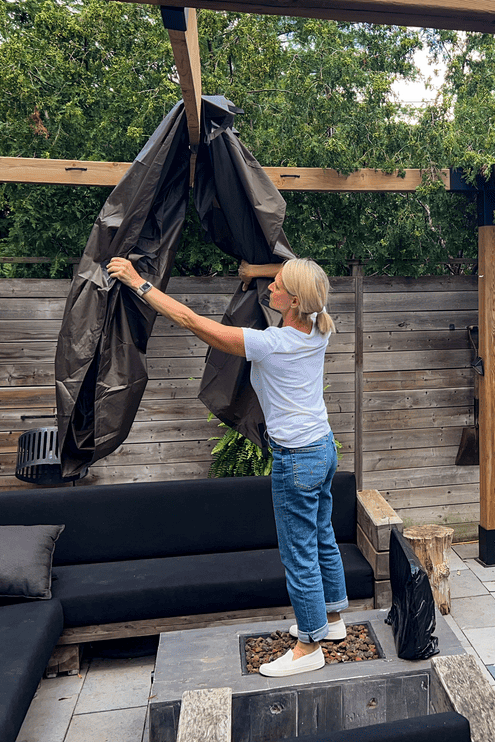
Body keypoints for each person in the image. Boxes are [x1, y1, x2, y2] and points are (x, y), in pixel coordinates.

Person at [106, 255, 346, 677]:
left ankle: (310, 645)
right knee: (322, 535)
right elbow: (296, 281)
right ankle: (334, 622)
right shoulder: (319, 322)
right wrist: (255, 272)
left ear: (292, 300)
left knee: (299, 552)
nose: (269, 288)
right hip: (323, 450)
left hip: (297, 461)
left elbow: (192, 321)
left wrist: (137, 282)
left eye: (276, 285)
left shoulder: (272, 344)